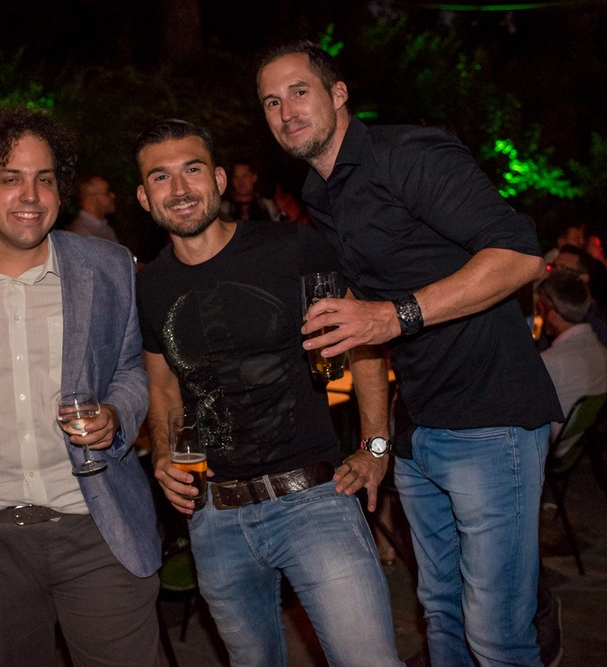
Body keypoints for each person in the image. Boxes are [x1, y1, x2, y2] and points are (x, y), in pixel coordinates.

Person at [257, 41, 562, 666]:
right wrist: (376, 446)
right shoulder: (320, 196)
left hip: (490, 419)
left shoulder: (408, 154)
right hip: (419, 434)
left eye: (299, 92)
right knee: (442, 615)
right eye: (271, 102)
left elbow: (520, 256)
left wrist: (394, 315)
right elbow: (363, 329)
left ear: (339, 93)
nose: (286, 111)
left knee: (497, 637)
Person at [135, 118, 402, 667]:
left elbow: (365, 340)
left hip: (313, 501)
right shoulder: (150, 286)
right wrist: (163, 452)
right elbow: (162, 385)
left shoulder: (291, 248)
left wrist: (375, 447)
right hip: (215, 516)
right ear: (143, 197)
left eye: (191, 170)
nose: (179, 189)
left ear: (218, 179)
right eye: (161, 177)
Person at [0, 107, 161, 667]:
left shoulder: (107, 266)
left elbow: (130, 370)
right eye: (10, 178)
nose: (31, 195)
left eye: (45, 179)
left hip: (98, 527)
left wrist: (116, 414)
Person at [537, 268, 607, 455]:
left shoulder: (553, 361)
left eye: (541, 308)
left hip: (555, 450)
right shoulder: (601, 351)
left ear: (552, 313)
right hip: (580, 444)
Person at [66, 174, 120, 242]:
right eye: (107, 193)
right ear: (90, 200)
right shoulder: (81, 233)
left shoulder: (104, 227)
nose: (113, 196)